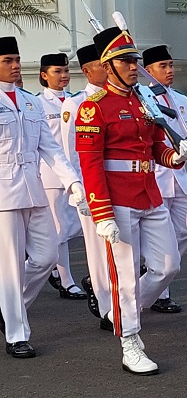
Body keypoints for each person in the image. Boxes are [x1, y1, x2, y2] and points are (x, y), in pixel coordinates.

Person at [75, 26, 187, 374]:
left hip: (149, 191)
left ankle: (122, 311)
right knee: (125, 274)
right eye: (126, 61)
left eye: (135, 60)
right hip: (118, 197)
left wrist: (175, 157)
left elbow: (155, 145)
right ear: (107, 65)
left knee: (168, 265)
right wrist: (102, 212)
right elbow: (90, 163)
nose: (133, 66)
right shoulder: (93, 108)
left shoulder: (143, 99)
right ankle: (129, 340)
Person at [0, 37, 87, 358]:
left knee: (47, 256)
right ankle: (16, 333)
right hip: (3, 193)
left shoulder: (31, 102)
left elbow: (50, 149)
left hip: (33, 188)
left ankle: (10, 307)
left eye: (17, 59)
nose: (15, 65)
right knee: (9, 266)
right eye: (8, 60)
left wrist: (72, 182)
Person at [142, 45, 187, 314]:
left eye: (171, 65)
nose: (170, 70)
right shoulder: (143, 99)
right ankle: (161, 293)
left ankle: (151, 264)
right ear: (147, 70)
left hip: (180, 175)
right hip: (158, 174)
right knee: (163, 233)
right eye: (163, 66)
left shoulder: (180, 100)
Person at [61, 45, 112, 327]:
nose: (107, 69)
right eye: (101, 65)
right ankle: (107, 309)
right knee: (97, 251)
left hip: (118, 184)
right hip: (90, 187)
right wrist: (78, 188)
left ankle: (120, 300)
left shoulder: (121, 99)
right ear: (86, 71)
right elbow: (70, 153)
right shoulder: (76, 103)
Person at [38, 52, 86, 299]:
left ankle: (56, 270)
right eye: (57, 72)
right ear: (44, 75)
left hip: (76, 172)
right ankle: (66, 280)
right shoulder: (39, 103)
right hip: (51, 176)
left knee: (75, 227)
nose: (64, 76)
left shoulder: (76, 101)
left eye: (66, 71)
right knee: (60, 229)